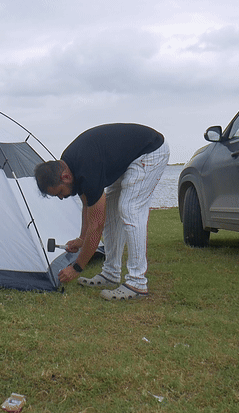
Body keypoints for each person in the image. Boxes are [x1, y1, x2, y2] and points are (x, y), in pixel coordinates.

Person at [34, 123, 169, 300]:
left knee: (130, 209)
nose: (61, 198)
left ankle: (137, 283)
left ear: (65, 177)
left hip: (151, 151)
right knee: (112, 215)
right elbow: (87, 205)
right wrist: (82, 239)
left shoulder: (86, 168)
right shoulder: (70, 164)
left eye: (59, 192)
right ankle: (111, 274)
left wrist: (76, 268)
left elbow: (96, 225)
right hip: (132, 157)